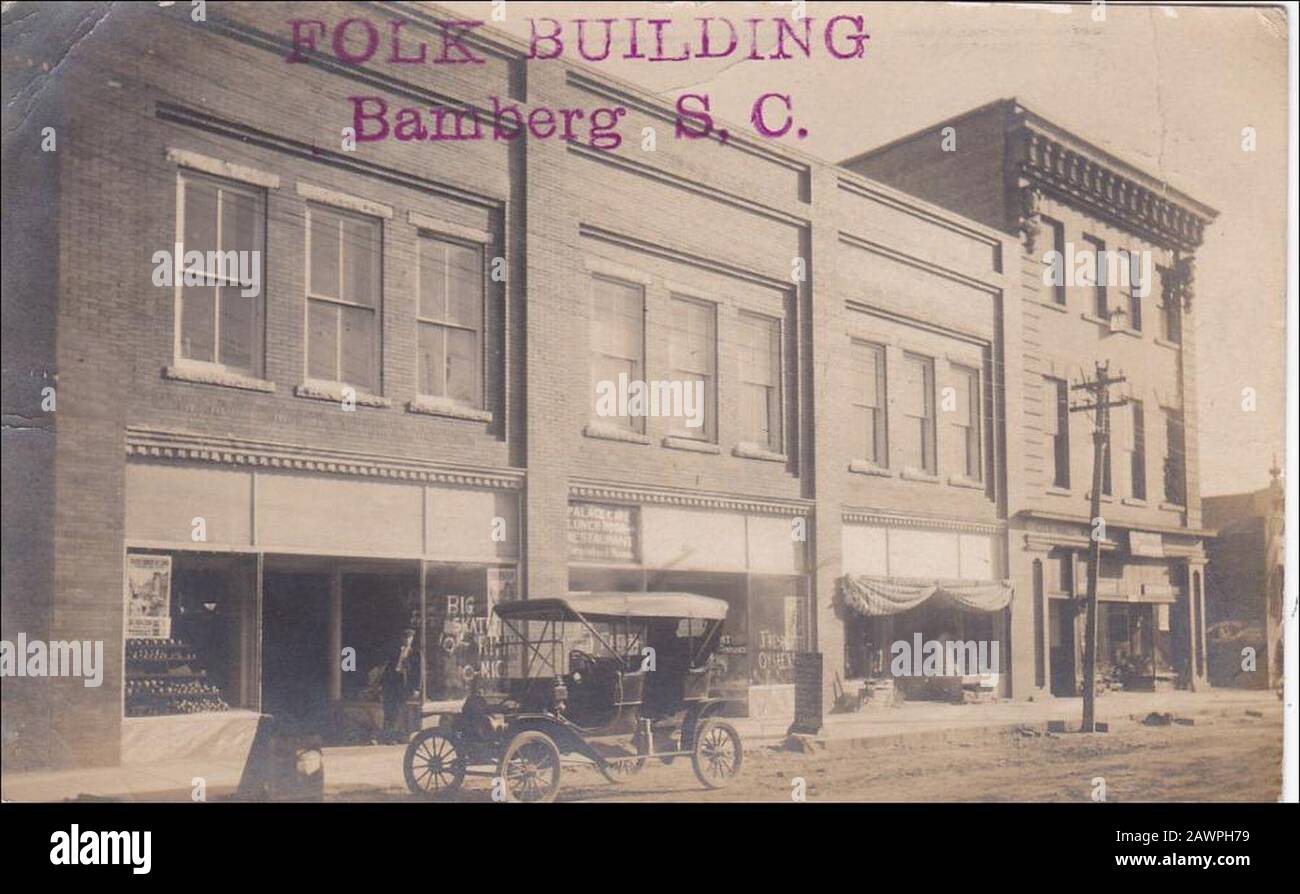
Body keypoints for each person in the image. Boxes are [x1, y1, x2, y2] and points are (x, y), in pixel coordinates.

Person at [380, 627, 420, 744]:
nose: (407, 640)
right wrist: (383, 683)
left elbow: (418, 672)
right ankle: (388, 736)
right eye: (405, 637)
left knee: (401, 711)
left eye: (409, 637)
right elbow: (387, 667)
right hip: (392, 683)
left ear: (412, 639)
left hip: (404, 684)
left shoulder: (415, 653)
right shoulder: (395, 651)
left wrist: (417, 688)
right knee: (389, 710)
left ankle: (400, 736)